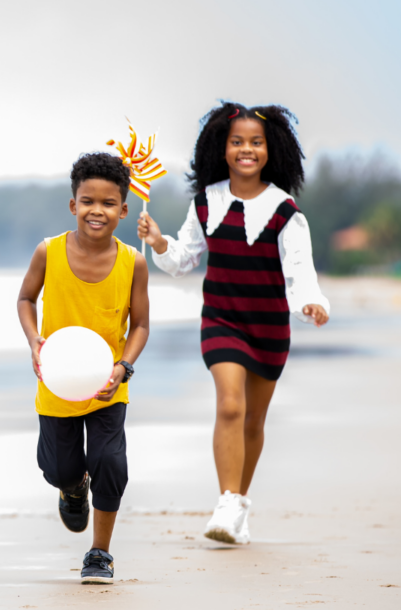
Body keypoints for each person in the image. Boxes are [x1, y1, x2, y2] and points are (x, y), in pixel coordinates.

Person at [137, 103, 329, 545]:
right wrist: (159, 241)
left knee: (253, 424)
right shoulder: (206, 201)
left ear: (270, 149)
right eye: (237, 141)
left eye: (256, 142)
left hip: (269, 326)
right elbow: (183, 258)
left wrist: (312, 303)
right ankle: (227, 499)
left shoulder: (285, 209)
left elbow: (299, 268)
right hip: (221, 319)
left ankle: (239, 504)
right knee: (229, 405)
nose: (247, 149)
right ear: (221, 149)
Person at [17, 152, 150, 584]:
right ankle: (72, 489)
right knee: (58, 468)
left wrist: (124, 367)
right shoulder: (48, 252)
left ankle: (100, 553)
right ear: (73, 204)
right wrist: (34, 339)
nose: (98, 210)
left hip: (108, 385)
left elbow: (142, 324)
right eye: (88, 201)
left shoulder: (134, 262)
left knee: (110, 463)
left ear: (124, 210)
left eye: (108, 203)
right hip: (56, 383)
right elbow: (25, 299)